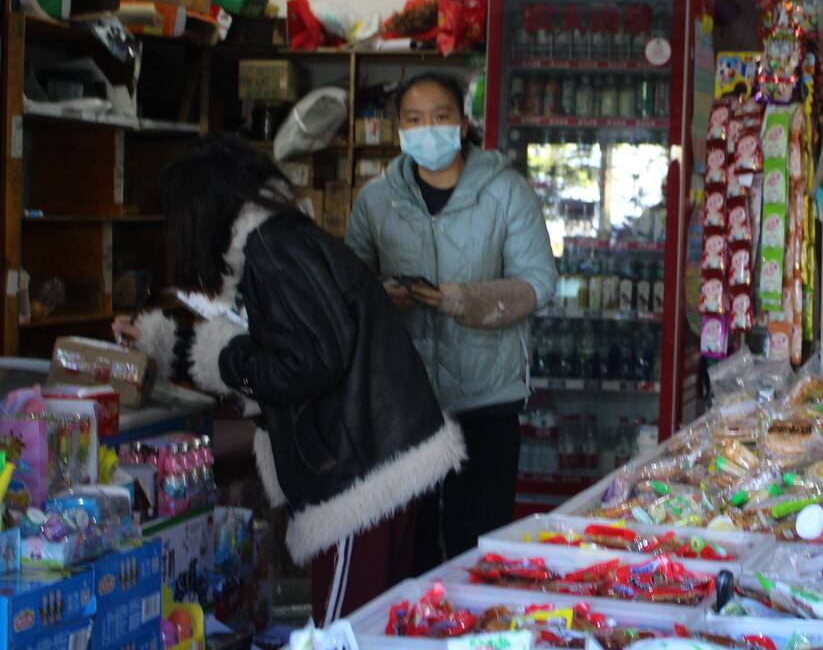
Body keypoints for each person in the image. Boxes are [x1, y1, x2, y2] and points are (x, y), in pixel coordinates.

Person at [114, 134, 465, 624]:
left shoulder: (272, 250)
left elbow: (307, 362)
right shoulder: (277, 241)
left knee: (344, 629)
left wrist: (223, 358)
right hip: (378, 456)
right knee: (375, 622)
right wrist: (169, 345)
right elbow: (282, 347)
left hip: (361, 475)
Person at [346, 72, 557, 569]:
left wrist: (457, 300)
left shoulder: (506, 192)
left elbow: (538, 282)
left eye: (440, 117)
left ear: (462, 125)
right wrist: (382, 298)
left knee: (478, 550)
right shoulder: (375, 201)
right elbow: (349, 287)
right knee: (407, 551)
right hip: (403, 402)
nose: (427, 130)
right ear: (399, 129)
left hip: (487, 399)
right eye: (414, 119)